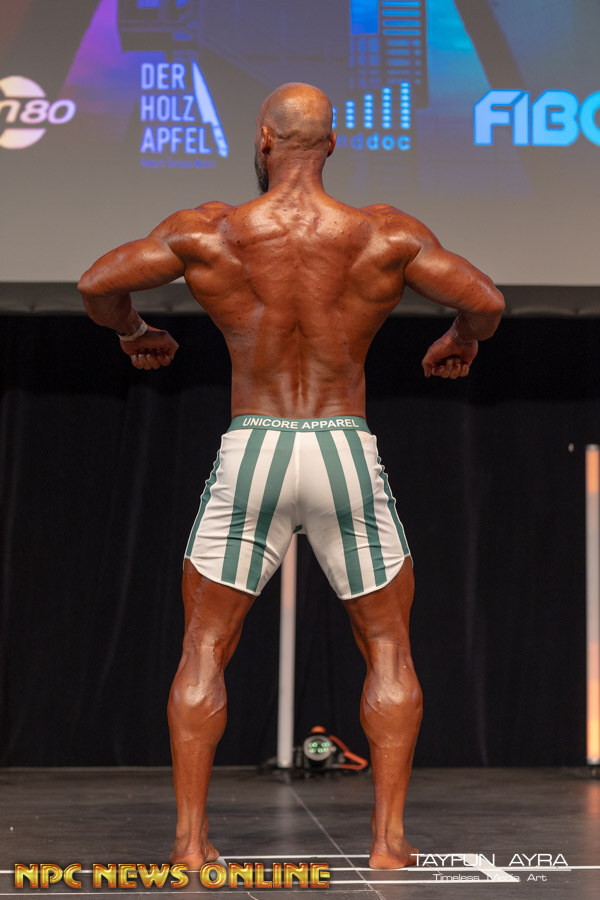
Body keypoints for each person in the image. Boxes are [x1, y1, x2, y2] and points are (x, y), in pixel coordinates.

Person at [78, 82, 504, 870]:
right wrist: (461, 340)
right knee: (388, 647)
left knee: (205, 645)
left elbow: (97, 284)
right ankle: (387, 843)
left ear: (263, 139)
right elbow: (485, 300)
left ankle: (191, 844)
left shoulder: (211, 231)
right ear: (333, 143)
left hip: (255, 448)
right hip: (342, 446)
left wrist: (134, 331)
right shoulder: (384, 234)